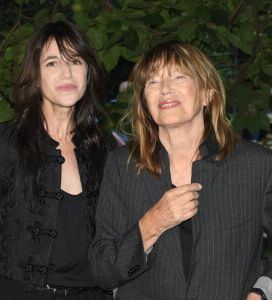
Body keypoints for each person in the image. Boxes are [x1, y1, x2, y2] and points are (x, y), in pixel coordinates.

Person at [90, 40, 272, 300]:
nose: (165, 89)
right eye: (152, 82)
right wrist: (152, 223)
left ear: (208, 93)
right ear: (144, 100)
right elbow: (102, 271)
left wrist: (262, 293)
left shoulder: (257, 165)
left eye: (178, 77)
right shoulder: (124, 165)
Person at [0, 20, 116, 300]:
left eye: (76, 61)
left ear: (88, 72)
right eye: (52, 63)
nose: (66, 73)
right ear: (35, 75)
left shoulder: (105, 149)